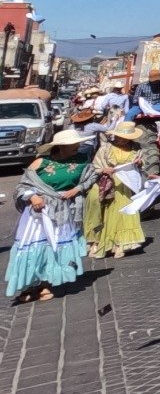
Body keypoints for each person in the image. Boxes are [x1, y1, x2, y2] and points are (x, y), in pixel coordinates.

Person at [6, 130, 95, 304]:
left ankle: (46, 283)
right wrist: (32, 196)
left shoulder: (82, 161)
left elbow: (92, 177)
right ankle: (30, 285)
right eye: (72, 145)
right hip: (38, 214)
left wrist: (78, 189)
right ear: (60, 146)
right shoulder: (41, 162)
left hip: (62, 211)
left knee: (53, 247)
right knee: (34, 247)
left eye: (77, 144)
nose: (77, 147)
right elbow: (22, 186)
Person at [83, 121, 148, 259]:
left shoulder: (136, 148)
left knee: (121, 213)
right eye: (119, 137)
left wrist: (139, 163)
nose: (122, 140)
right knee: (97, 207)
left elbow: (143, 165)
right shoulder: (106, 148)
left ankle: (120, 244)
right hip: (105, 181)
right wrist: (104, 170)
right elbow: (95, 166)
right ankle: (97, 241)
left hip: (125, 185)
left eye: (125, 138)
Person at [126, 69, 160, 174]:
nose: (155, 82)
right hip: (142, 105)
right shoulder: (142, 86)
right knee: (129, 114)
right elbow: (135, 100)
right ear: (149, 79)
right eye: (153, 81)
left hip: (157, 105)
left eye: (157, 80)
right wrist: (144, 105)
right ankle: (125, 131)